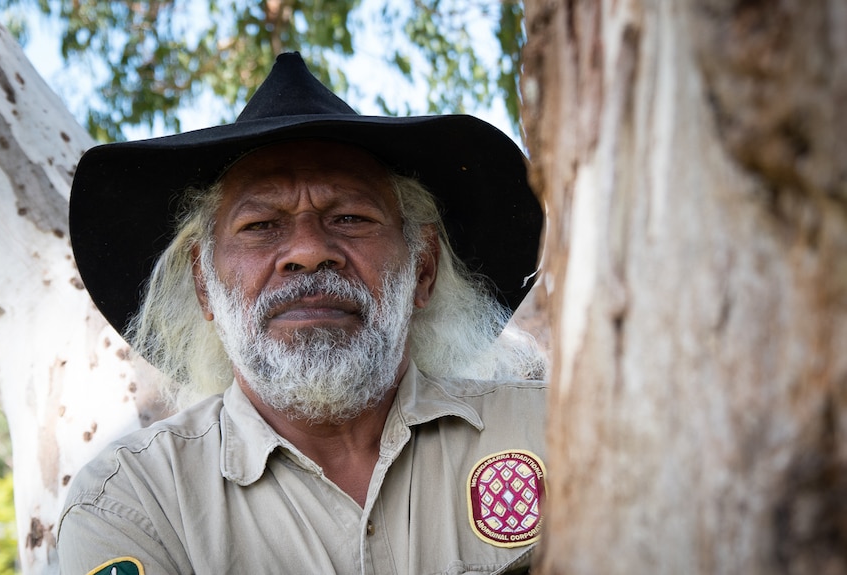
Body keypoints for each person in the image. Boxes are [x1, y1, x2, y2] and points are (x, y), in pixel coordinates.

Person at [58, 52, 547, 574]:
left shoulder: (555, 432)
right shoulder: (135, 500)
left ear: (421, 270)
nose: (310, 250)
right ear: (204, 284)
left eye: (351, 216)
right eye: (262, 224)